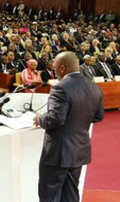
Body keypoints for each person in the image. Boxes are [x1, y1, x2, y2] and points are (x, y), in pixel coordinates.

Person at [33, 51, 104, 202]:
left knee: (49, 195)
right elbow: (98, 116)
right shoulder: (94, 87)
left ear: (63, 68)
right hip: (79, 150)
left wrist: (40, 119)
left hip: (58, 152)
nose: (54, 70)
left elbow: (55, 119)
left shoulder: (60, 88)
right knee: (71, 194)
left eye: (55, 67)